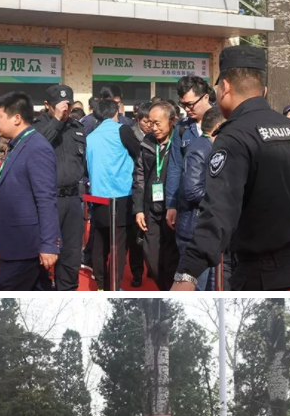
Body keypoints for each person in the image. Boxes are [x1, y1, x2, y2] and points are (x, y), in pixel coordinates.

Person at [171, 46, 290, 291]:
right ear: (263, 91)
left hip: (260, 273)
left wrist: (188, 272)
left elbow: (219, 211)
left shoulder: (233, 136)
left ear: (225, 87)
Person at [0, 92, 61, 291]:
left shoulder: (36, 147)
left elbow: (46, 199)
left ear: (17, 118)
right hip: (16, 239)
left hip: (25, 244)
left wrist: (49, 244)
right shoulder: (18, 144)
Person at [32, 84, 86, 290]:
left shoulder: (76, 127)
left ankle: (67, 290)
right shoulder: (37, 127)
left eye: (68, 104)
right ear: (48, 105)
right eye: (59, 104)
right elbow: (37, 148)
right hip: (48, 199)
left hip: (73, 199)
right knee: (44, 255)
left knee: (71, 255)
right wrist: (56, 121)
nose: (65, 108)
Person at [85, 97, 138, 290]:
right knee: (119, 245)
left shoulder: (90, 137)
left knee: (100, 243)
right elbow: (139, 153)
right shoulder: (122, 130)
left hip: (98, 196)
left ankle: (100, 283)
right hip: (121, 195)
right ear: (117, 112)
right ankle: (113, 285)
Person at [175, 104, 224, 291]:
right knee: (195, 288)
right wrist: (222, 196)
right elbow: (192, 191)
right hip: (194, 230)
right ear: (219, 127)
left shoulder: (211, 147)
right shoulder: (199, 149)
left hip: (206, 229)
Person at [133, 101, 180, 291]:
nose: (153, 128)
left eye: (158, 123)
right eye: (151, 123)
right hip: (151, 208)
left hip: (173, 209)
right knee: (151, 256)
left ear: (171, 120)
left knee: (171, 257)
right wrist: (138, 209)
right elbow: (139, 176)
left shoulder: (180, 141)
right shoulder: (147, 142)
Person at [165, 75, 214, 229]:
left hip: (216, 204)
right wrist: (171, 204)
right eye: (183, 104)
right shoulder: (182, 128)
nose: (186, 109)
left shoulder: (223, 121)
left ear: (205, 97)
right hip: (188, 209)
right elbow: (175, 166)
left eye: (190, 104)